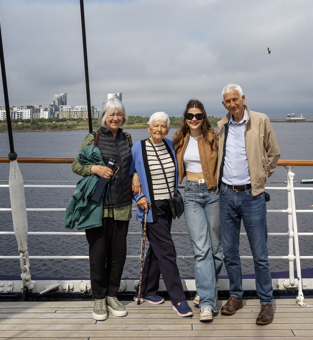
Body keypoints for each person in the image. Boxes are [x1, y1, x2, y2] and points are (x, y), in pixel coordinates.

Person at [216, 84, 280, 325]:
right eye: (227, 101)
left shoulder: (261, 120)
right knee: (230, 252)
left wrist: (261, 177)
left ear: (243, 98)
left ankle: (266, 302)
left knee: (259, 254)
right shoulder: (221, 126)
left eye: (235, 99)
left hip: (252, 196)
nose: (232, 104)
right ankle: (236, 295)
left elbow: (274, 154)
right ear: (224, 105)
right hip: (226, 195)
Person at [71, 98, 134, 321]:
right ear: (104, 116)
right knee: (98, 254)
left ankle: (112, 295)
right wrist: (94, 168)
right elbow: (76, 165)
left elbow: (132, 166)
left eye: (119, 114)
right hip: (98, 206)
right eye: (111, 114)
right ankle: (99, 297)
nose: (115, 118)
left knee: (118, 255)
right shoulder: (94, 137)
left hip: (123, 204)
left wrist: (135, 176)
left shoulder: (127, 138)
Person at [130, 111, 193, 317]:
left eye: (163, 126)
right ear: (148, 128)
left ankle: (145, 291)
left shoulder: (169, 145)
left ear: (168, 129)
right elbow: (129, 174)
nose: (159, 129)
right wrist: (137, 191)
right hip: (150, 207)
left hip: (168, 205)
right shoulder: (138, 148)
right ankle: (179, 299)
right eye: (155, 126)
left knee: (157, 249)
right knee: (167, 251)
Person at [173, 99, 222, 322]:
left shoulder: (215, 137)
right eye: (190, 116)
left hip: (214, 194)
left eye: (198, 115)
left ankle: (204, 290)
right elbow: (159, 154)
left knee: (217, 251)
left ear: (204, 117)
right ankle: (208, 303)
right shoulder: (179, 138)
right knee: (201, 249)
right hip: (191, 193)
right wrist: (136, 174)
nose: (194, 119)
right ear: (186, 118)